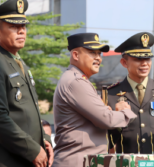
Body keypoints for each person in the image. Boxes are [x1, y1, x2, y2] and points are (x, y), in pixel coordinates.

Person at [0, 0, 53, 167]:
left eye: (23, 26)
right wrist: (33, 149)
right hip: (4, 161)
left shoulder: (17, 62)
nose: (21, 31)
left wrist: (44, 140)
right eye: (13, 27)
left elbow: (28, 111)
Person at [52, 33, 137, 167]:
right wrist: (124, 112)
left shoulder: (77, 79)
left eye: (99, 54)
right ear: (75, 55)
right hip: (76, 161)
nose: (98, 58)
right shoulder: (76, 81)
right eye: (92, 53)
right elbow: (106, 119)